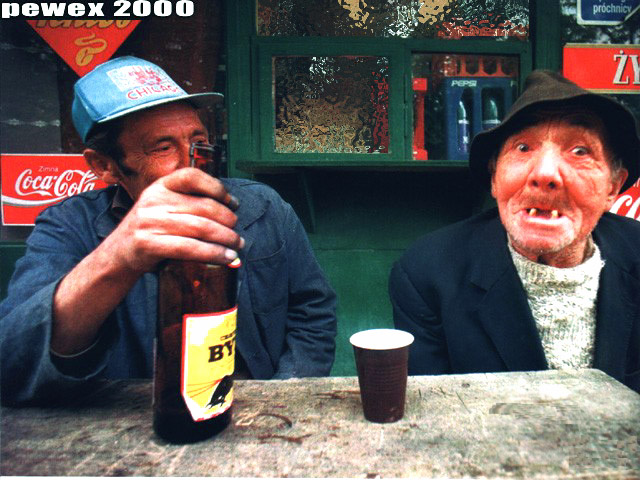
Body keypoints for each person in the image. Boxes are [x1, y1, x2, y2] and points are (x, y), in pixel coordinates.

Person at [0, 56, 337, 406]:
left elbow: (312, 312)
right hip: (142, 424)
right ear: (105, 166)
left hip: (259, 412)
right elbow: (12, 365)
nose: (191, 164)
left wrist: (279, 395)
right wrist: (118, 257)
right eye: (162, 148)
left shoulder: (263, 207)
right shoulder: (69, 226)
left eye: (198, 140)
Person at [389, 70, 640, 393]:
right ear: (494, 178)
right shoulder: (427, 273)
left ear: (613, 187)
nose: (545, 174)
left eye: (580, 151)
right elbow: (434, 408)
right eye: (523, 148)